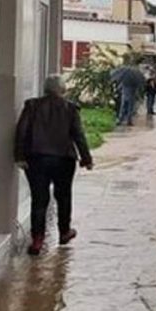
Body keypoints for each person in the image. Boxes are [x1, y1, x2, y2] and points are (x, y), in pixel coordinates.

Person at [15, 75, 94, 255]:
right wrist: (86, 159)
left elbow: (22, 131)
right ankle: (64, 232)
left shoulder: (32, 106)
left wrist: (19, 156)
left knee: (39, 199)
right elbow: (78, 136)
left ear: (45, 89)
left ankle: (37, 240)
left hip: (36, 159)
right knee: (64, 196)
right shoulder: (70, 109)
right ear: (62, 89)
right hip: (64, 160)